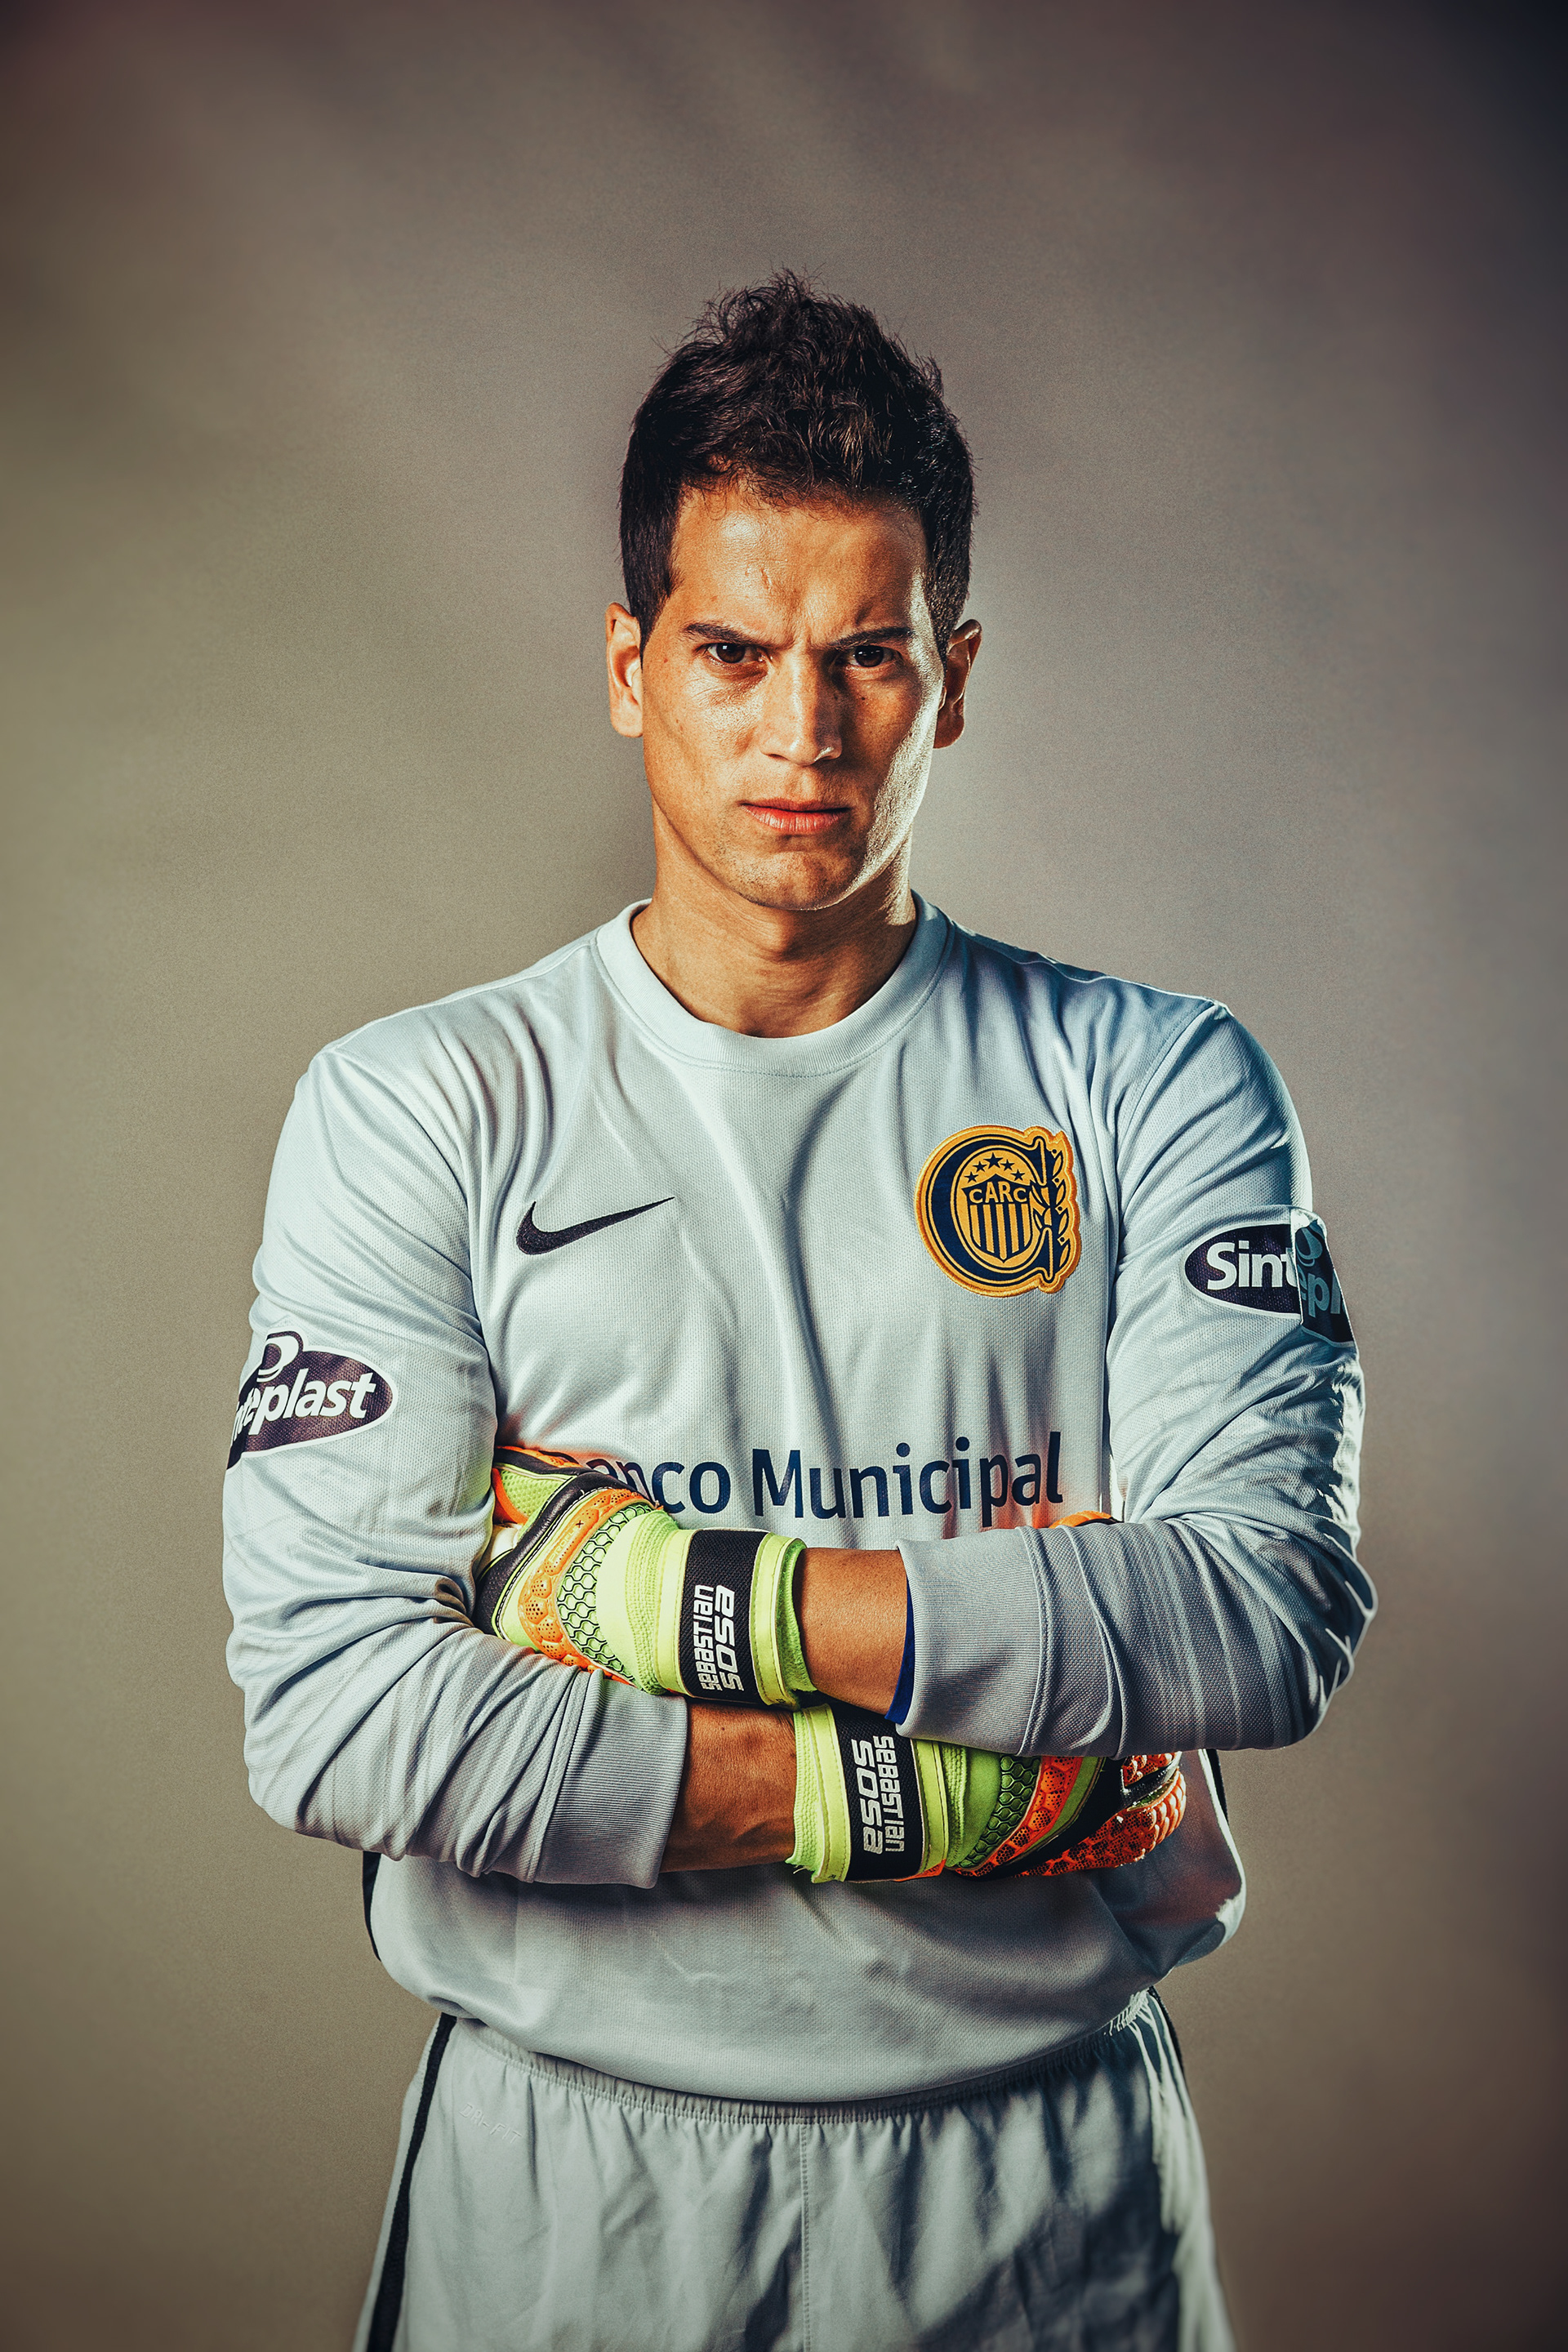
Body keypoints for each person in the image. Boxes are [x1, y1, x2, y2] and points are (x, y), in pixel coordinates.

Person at [223, 274, 1370, 2351]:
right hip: (572, 2185)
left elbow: (1259, 1611)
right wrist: (979, 1755)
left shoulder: (1158, 1083)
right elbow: (345, 1715)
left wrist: (643, 1594)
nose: (804, 730)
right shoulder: (422, 1106)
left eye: (869, 654)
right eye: (734, 653)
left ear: (955, 679)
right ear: (629, 667)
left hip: (1041, 2183)